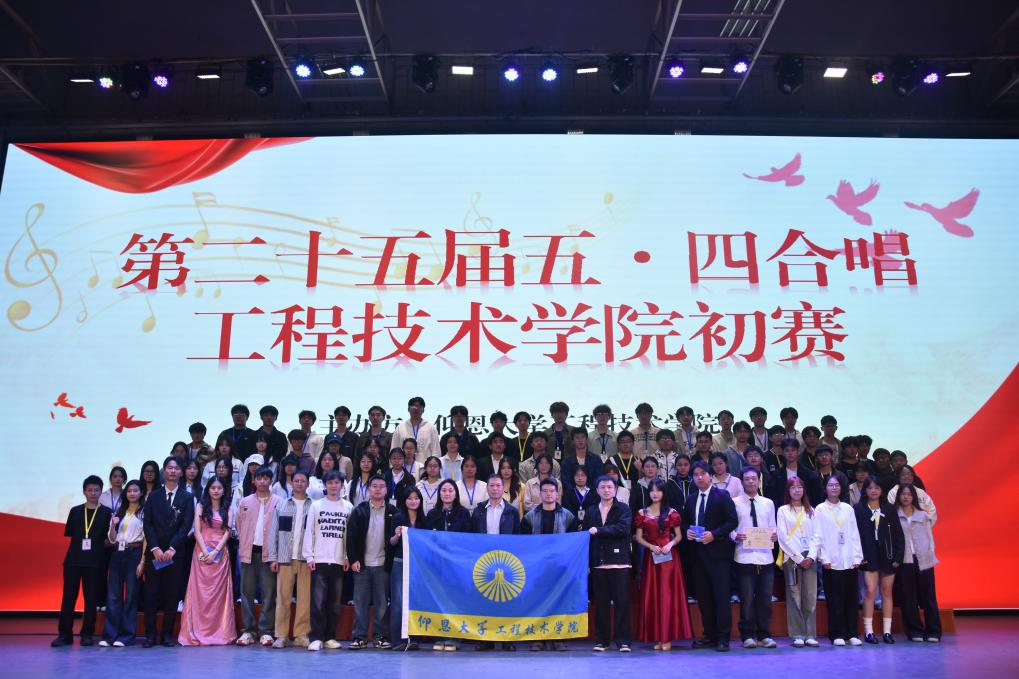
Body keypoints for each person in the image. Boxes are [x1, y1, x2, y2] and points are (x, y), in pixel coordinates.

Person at [682, 460, 738, 652]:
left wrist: (714, 534)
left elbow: (732, 521)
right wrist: (687, 532)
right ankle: (710, 635)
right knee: (704, 598)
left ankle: (723, 637)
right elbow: (685, 523)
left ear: (710, 475)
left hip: (719, 555)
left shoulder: (722, 495)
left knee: (721, 597)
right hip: (697, 556)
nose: (699, 477)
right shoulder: (691, 499)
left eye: (702, 474)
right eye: (695, 475)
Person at [52, 475, 113, 647]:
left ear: (101, 492)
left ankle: (87, 634)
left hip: (95, 562)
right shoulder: (75, 511)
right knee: (68, 598)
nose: (93, 493)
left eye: (96, 490)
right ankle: (64, 635)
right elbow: (71, 532)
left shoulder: (107, 513)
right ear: (84, 492)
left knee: (91, 600)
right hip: (73, 561)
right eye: (90, 490)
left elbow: (108, 538)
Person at [142, 456, 195, 647]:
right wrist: (155, 548)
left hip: (175, 554)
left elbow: (186, 524)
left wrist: (172, 548)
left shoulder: (187, 497)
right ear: (164, 471)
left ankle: (166, 634)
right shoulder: (153, 496)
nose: (173, 471)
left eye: (176, 468)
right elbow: (147, 524)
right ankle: (150, 635)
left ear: (181, 472)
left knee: (172, 595)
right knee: (151, 594)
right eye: (170, 468)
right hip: (155, 554)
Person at [520, 478, 577, 651]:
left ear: (557, 494)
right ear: (540, 493)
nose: (548, 494)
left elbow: (574, 542)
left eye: (552, 491)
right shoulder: (530, 516)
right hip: (538, 567)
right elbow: (523, 543)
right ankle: (537, 638)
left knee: (559, 601)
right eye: (545, 491)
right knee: (537, 601)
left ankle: (558, 638)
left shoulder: (568, 516)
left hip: (560, 566)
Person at [634, 478, 691, 651]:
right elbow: (638, 537)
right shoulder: (642, 512)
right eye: (652, 490)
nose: (655, 493)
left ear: (664, 493)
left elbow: (679, 536)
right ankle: (658, 638)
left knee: (667, 596)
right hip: (651, 558)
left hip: (669, 558)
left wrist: (670, 545)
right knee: (653, 596)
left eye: (658, 490)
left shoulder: (672, 512)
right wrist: (651, 546)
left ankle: (667, 638)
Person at [178, 477, 236, 645]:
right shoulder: (201, 506)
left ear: (224, 490)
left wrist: (216, 551)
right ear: (208, 490)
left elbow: (227, 532)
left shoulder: (228, 508)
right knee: (200, 593)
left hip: (221, 553)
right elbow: (197, 531)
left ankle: (220, 632)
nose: (216, 491)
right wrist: (205, 552)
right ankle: (197, 631)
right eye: (213, 488)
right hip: (201, 552)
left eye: (219, 488)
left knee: (218, 596)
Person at [346, 474, 397, 650]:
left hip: (383, 565)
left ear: (386, 490)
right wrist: (353, 559)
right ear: (369, 489)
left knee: (382, 604)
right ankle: (359, 637)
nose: (378, 489)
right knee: (360, 603)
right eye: (374, 486)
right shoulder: (359, 510)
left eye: (381, 486)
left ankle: (380, 637)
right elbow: (351, 538)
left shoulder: (393, 511)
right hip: (362, 564)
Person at [303, 470, 352, 651]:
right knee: (317, 602)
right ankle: (316, 637)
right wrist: (309, 556)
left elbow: (350, 536)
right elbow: (309, 532)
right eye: (330, 482)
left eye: (337, 482)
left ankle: (330, 637)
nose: (333, 486)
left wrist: (347, 556)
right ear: (325, 485)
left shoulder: (348, 507)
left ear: (342, 485)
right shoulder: (316, 506)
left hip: (339, 560)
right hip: (319, 559)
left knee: (334, 603)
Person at [731, 467, 778, 649]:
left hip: (765, 557)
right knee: (747, 599)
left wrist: (774, 535)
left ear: (759, 481)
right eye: (747, 479)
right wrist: (735, 536)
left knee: (765, 599)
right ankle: (747, 635)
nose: (751, 482)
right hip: (743, 556)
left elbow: (773, 526)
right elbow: (730, 527)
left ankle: (764, 634)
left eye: (754, 478)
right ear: (742, 481)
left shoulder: (768, 503)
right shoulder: (735, 502)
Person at [814, 475, 864, 647]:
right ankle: (837, 633)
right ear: (825, 488)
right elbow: (818, 535)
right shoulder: (820, 509)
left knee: (851, 598)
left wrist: (857, 556)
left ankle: (852, 633)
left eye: (837, 485)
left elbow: (854, 533)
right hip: (831, 561)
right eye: (830, 485)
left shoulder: (848, 508)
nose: (834, 488)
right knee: (835, 600)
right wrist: (824, 557)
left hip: (849, 559)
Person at [236, 465, 281, 646]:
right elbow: (239, 526)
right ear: (253, 481)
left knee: (269, 593)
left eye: (266, 478)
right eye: (259, 478)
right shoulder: (244, 502)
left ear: (271, 481)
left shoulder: (279, 502)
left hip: (269, 555)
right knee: (246, 593)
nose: (262, 481)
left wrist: (276, 555)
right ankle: (248, 631)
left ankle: (266, 631)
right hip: (249, 553)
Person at [588, 474, 633, 653]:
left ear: (615, 490)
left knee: (622, 603)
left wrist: (599, 530)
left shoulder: (623, 509)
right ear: (597, 490)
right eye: (603, 487)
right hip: (598, 564)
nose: (606, 490)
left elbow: (622, 529)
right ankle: (602, 641)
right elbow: (587, 536)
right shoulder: (591, 510)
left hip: (619, 563)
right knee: (601, 604)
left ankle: (623, 641)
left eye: (610, 487)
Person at [856, 478, 904, 644]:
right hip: (868, 556)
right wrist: (859, 556)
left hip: (887, 556)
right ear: (865, 490)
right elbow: (854, 535)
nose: (874, 491)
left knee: (887, 592)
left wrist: (898, 557)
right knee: (870, 591)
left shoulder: (889, 509)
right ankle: (869, 632)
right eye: (870, 488)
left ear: (882, 490)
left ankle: (887, 632)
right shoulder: (859, 509)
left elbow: (899, 535)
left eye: (877, 488)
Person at [268, 470, 313, 648]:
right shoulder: (281, 505)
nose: (300, 483)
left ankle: (301, 635)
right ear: (292, 483)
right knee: (283, 598)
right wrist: (273, 558)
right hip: (284, 558)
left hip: (306, 559)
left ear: (308, 484)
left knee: (304, 599)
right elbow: (274, 533)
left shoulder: (314, 506)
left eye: (303, 481)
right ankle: (281, 635)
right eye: (297, 481)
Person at [426, 480, 472, 651]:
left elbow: (467, 538)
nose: (447, 493)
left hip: (456, 565)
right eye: (443, 490)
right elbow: (426, 538)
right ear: (439, 494)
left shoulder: (463, 513)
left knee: (454, 600)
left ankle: (453, 637)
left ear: (455, 494)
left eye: (450, 490)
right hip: (437, 565)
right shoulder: (432, 514)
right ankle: (439, 636)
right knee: (438, 599)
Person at [99, 479, 145, 647]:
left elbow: (146, 539)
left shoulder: (144, 512)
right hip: (117, 553)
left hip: (134, 553)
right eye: (129, 491)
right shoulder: (120, 510)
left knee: (131, 596)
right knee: (113, 596)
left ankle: (126, 636)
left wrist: (142, 561)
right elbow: (112, 538)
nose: (132, 493)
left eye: (135, 490)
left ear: (141, 493)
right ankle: (109, 635)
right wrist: (113, 525)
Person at [776, 478, 820, 648]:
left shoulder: (811, 511)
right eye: (793, 487)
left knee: (810, 596)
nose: (797, 490)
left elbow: (817, 536)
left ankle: (810, 634)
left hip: (810, 557)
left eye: (800, 487)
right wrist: (799, 558)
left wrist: (811, 556)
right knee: (795, 596)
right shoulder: (783, 511)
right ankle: (797, 634)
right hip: (792, 558)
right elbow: (782, 537)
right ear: (788, 491)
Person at [895, 484, 942, 642]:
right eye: (903, 494)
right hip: (905, 560)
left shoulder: (923, 515)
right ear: (898, 496)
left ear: (914, 497)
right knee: (909, 597)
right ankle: (915, 631)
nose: (906, 497)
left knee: (928, 597)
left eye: (909, 494)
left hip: (924, 560)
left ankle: (933, 631)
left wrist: (931, 555)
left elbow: (930, 537)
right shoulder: (894, 516)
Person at [389, 487, 428, 651]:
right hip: (400, 563)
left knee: (415, 601)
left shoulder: (424, 520)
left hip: (417, 565)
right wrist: (396, 535)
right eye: (410, 498)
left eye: (416, 498)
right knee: (398, 602)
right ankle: (397, 640)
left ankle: (414, 639)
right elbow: (391, 542)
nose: (413, 501)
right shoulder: (398, 517)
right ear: (404, 501)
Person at [774, 439, 823, 506]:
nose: (790, 453)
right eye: (787, 450)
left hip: (805, 509)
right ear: (782, 453)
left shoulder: (809, 474)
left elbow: (816, 496)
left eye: (793, 450)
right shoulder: (776, 475)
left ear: (798, 452)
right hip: (783, 509)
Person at [394, 396, 440, 463]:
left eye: (419, 406)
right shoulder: (400, 428)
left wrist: (434, 467)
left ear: (423, 410)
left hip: (425, 467)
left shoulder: (430, 427)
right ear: (408, 409)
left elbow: (436, 451)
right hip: (404, 467)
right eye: (413, 405)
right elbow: (394, 449)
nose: (416, 408)